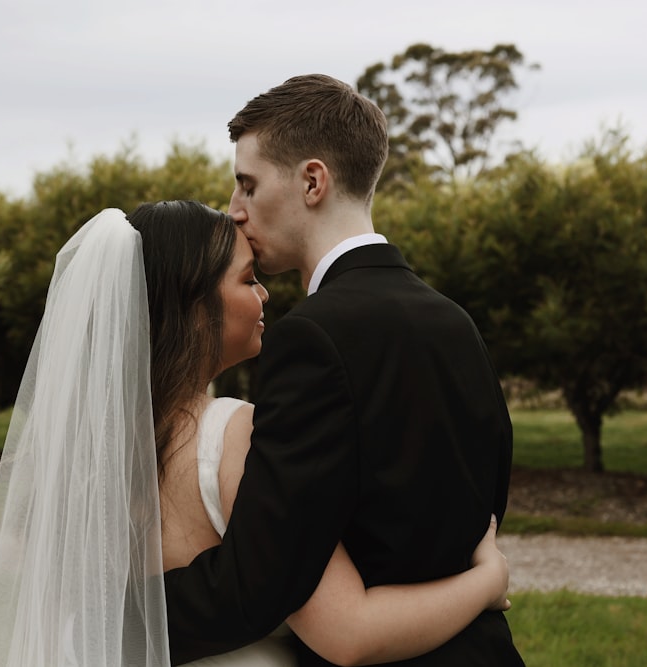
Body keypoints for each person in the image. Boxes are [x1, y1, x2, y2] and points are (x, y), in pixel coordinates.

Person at [0, 201, 513, 666]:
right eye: (247, 280)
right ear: (195, 308)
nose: (265, 295)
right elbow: (349, 632)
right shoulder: (236, 435)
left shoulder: (79, 456)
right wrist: (486, 581)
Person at [161, 76, 524, 666]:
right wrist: (485, 580)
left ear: (312, 181)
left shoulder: (311, 339)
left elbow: (263, 578)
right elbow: (485, 504)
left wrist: (106, 612)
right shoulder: (456, 322)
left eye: (248, 185)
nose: (235, 210)